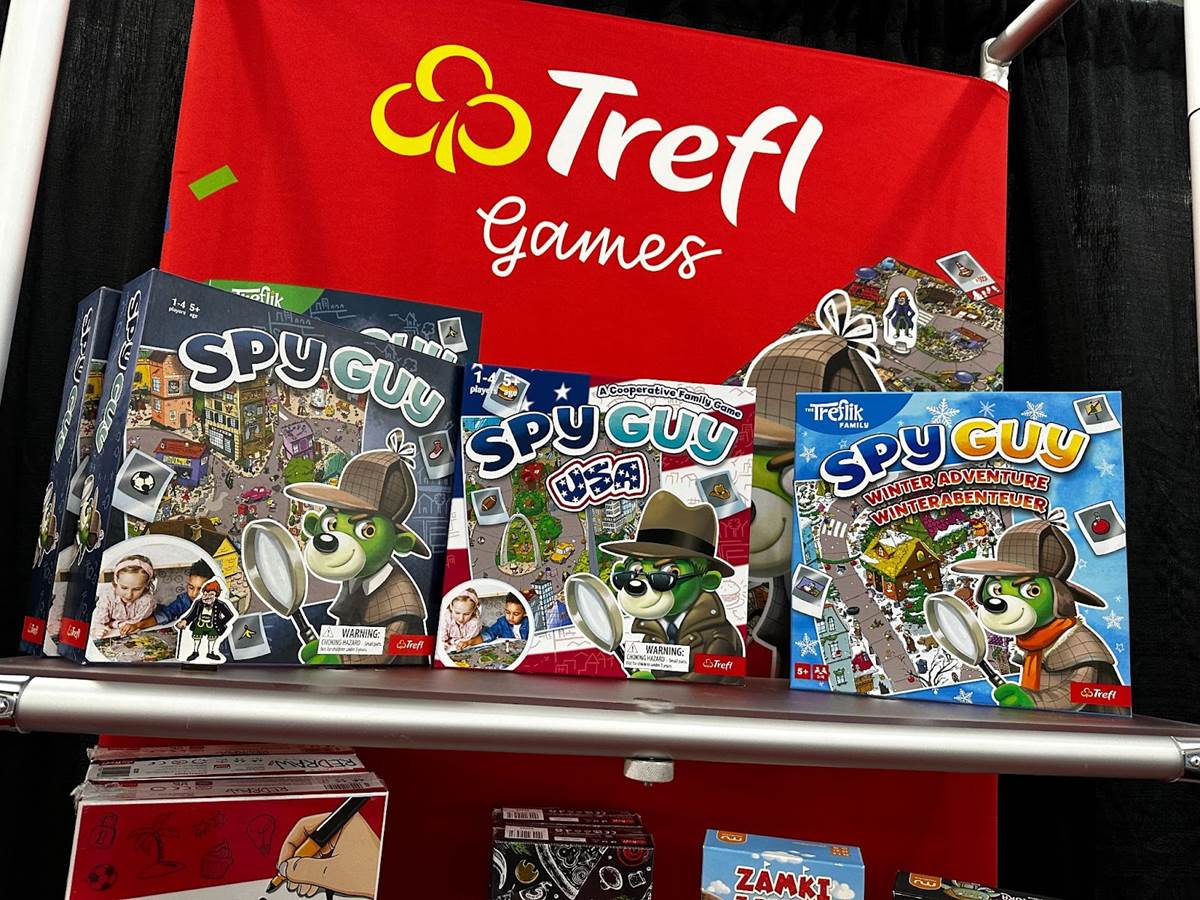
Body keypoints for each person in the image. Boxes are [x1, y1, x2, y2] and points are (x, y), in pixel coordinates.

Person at [120, 560, 214, 636]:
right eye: (191, 587)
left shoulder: (218, 602)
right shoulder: (183, 600)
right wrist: (137, 625)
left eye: (201, 589)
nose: (194, 594)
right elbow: (165, 614)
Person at [91, 555, 157, 639]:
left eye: (137, 589)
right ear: (116, 580)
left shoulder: (147, 601)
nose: (129, 595)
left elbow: (135, 624)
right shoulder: (107, 596)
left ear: (146, 584)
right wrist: (96, 629)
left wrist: (112, 624)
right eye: (124, 588)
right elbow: (99, 623)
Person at [176, 579, 236, 662]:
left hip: (213, 625)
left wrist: (220, 623)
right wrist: (185, 621)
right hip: (199, 624)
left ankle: (210, 653)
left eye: (211, 594)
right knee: (197, 637)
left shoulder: (220, 604)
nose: (207, 596)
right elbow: (192, 614)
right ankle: (195, 652)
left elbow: (229, 615)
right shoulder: (198, 603)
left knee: (212, 638)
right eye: (205, 594)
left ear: (216, 595)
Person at [464, 595, 529, 645]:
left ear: (525, 612)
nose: (510, 617)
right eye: (507, 612)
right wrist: (469, 642)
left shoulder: (529, 623)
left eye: (516, 614)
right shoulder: (502, 622)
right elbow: (489, 634)